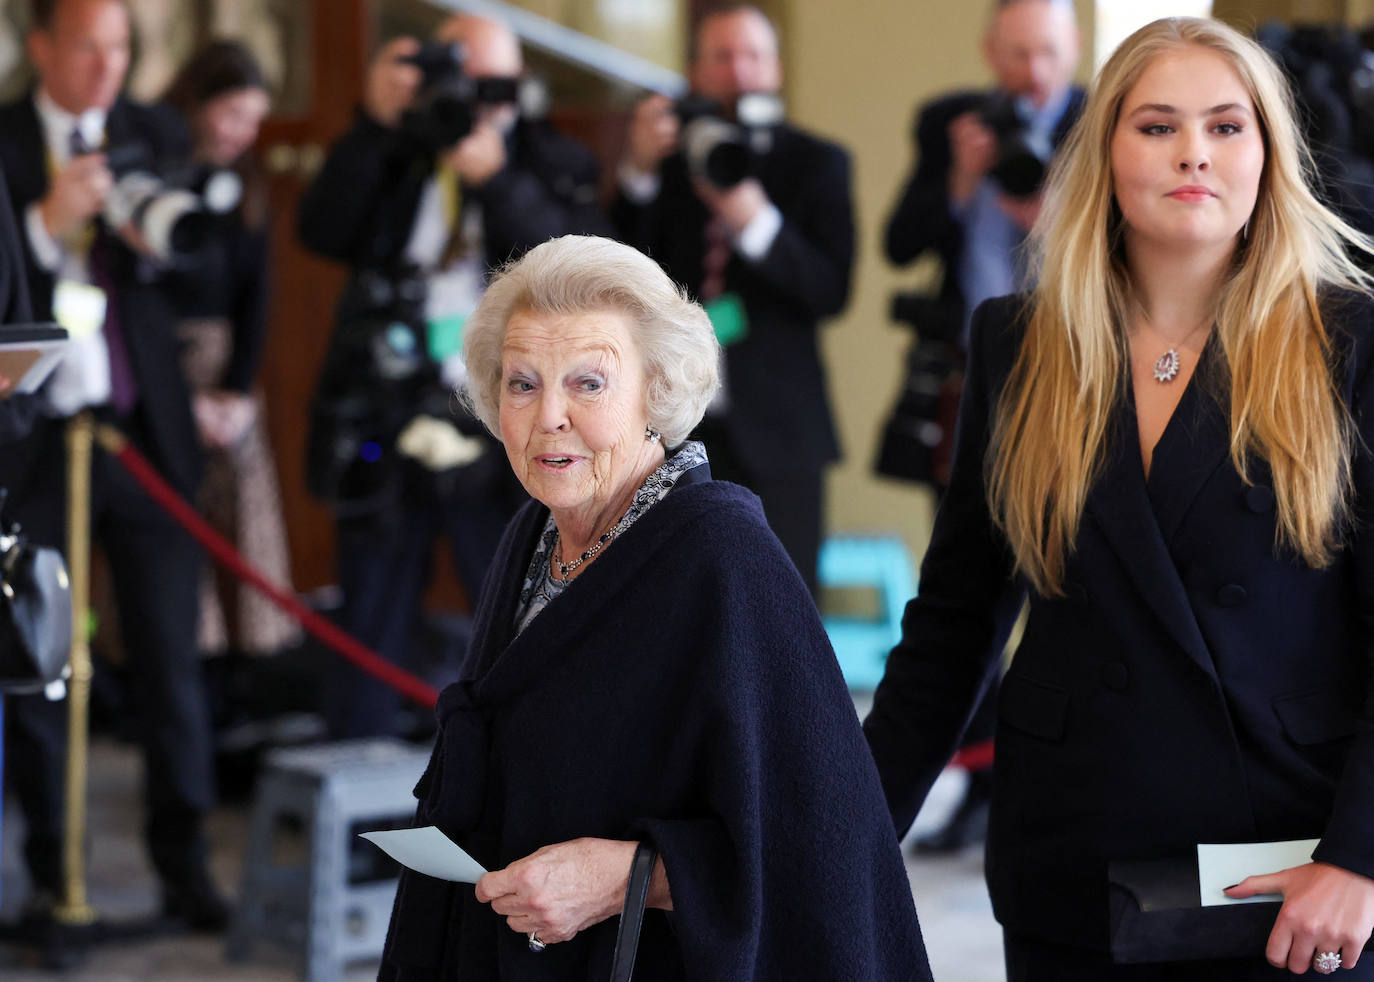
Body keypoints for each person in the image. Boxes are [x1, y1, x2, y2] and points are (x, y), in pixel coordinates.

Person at [865, 15, 1374, 980]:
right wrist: (841, 832)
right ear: (1105, 152)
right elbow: (955, 626)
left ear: (1269, 154)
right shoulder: (1019, 341)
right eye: (1157, 126)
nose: (1194, 153)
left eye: (1228, 127)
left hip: (1293, 869)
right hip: (1074, 849)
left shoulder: (1350, 342)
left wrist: (1362, 857)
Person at [379, 235, 930, 980]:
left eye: (589, 383)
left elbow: (822, 844)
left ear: (658, 391)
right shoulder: (535, 531)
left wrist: (632, 875)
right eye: (521, 383)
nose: (549, 416)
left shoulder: (723, 557)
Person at [298, 13, 609, 740]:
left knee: (521, 613)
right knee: (369, 613)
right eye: (455, 84)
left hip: (509, 419)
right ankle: (358, 804)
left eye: (490, 87)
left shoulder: (551, 158)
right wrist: (376, 125)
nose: (471, 103)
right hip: (389, 406)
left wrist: (495, 178)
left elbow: (583, 272)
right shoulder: (398, 150)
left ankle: (529, 797)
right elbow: (321, 230)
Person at [0, 0, 227, 943]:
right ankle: (56, 882)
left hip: (143, 436)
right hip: (35, 438)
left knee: (174, 667)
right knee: (41, 664)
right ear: (41, 45)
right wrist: (47, 226)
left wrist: (153, 243)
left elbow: (214, 270)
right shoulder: (6, 143)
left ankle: (187, 875)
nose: (105, 66)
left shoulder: (154, 132)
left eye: (122, 47)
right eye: (87, 44)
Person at [881, 0, 1084, 857]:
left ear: (1072, 53)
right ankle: (972, 784)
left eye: (1047, 53)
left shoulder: (1105, 120)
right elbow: (896, 243)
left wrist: (1051, 214)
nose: (1032, 71)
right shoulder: (950, 123)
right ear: (989, 53)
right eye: (1017, 53)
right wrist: (960, 182)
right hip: (972, 376)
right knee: (966, 582)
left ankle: (1018, 776)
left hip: (1075, 370)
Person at [612, 4, 854, 597]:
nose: (740, 71)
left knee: (784, 600)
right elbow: (615, 271)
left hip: (779, 426)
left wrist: (754, 222)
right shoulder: (667, 166)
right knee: (671, 600)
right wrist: (638, 171)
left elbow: (830, 290)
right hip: (672, 422)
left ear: (776, 68)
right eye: (723, 57)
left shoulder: (815, 162)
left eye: (754, 56)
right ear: (694, 70)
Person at [161, 39, 300, 660]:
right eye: (231, 116)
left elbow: (256, 295)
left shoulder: (244, 185)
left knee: (242, 527)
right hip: (160, 370)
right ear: (196, 102)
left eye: (253, 120)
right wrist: (178, 398)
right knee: (172, 538)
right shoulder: (154, 172)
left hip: (226, 376)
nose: (242, 134)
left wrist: (237, 393)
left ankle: (241, 684)